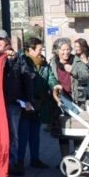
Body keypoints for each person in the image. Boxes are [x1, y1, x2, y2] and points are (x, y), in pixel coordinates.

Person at [0, 30, 35, 176]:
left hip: (12, 103)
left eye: (1, 39)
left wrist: (28, 100)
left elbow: (26, 79)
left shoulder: (17, 58)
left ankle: (12, 163)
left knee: (12, 134)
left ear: (7, 41)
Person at [48, 37, 89, 157]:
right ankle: (66, 159)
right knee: (63, 132)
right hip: (60, 101)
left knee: (78, 130)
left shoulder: (76, 61)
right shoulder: (52, 62)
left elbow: (87, 76)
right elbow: (50, 77)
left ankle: (79, 158)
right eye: (63, 49)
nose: (66, 52)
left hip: (76, 100)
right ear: (57, 51)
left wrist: (73, 70)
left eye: (68, 49)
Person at [19, 38, 51, 169]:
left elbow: (50, 77)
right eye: (39, 49)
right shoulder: (22, 62)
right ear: (30, 50)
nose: (41, 52)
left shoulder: (43, 63)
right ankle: (19, 160)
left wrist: (54, 86)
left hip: (38, 103)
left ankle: (35, 159)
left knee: (35, 133)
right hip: (25, 103)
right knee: (23, 134)